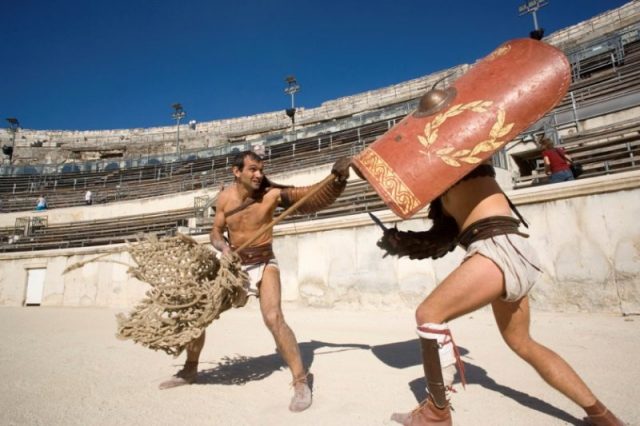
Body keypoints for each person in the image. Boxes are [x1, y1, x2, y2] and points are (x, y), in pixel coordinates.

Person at [376, 162, 624, 425]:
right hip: (513, 250)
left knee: (428, 314)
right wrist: (401, 242)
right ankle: (602, 416)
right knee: (522, 342)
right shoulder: (456, 179)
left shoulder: (460, 162)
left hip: (495, 249)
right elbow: (441, 240)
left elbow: (446, 231)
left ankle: (436, 415)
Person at [159, 150, 351, 413]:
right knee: (199, 315)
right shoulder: (224, 198)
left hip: (264, 262)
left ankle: (300, 382)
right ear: (236, 172)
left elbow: (309, 199)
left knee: (273, 318)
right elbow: (215, 230)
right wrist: (223, 247)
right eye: (252, 169)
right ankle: (190, 370)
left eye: (261, 169)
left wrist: (337, 180)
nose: (259, 174)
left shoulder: (271, 195)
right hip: (234, 266)